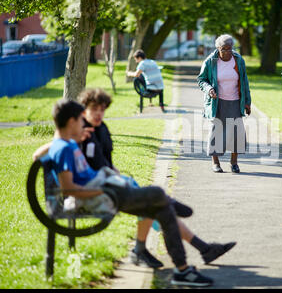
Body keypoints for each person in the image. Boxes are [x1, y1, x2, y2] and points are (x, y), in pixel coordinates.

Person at [33, 89, 236, 269]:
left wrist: (116, 175)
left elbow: (104, 162)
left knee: (159, 206)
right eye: (94, 109)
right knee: (160, 205)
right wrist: (66, 140)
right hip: (101, 190)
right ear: (82, 111)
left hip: (111, 183)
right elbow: (47, 154)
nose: (98, 114)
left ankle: (188, 248)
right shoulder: (75, 134)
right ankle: (193, 247)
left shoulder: (97, 130)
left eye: (102, 109)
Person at [197, 34, 252, 173]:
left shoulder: (238, 60)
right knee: (217, 132)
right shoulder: (210, 61)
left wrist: (247, 102)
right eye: (224, 49)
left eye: (229, 48)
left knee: (237, 133)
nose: (227, 52)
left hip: (235, 101)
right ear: (218, 48)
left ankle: (234, 162)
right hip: (217, 102)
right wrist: (209, 89)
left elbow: (244, 81)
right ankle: (215, 163)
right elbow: (201, 80)